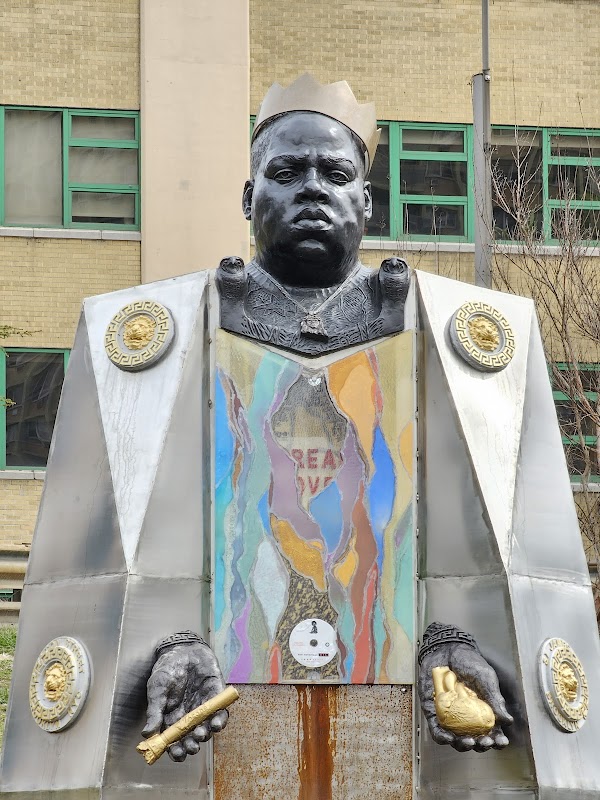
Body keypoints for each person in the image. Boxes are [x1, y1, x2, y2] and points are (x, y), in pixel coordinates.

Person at [141, 74, 512, 761]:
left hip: (400, 713)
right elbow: (135, 540)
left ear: (364, 201)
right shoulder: (167, 329)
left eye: (334, 172)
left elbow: (483, 538)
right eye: (286, 172)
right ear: (250, 198)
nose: (312, 187)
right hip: (222, 707)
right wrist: (172, 637)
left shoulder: (447, 331)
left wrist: (449, 637)